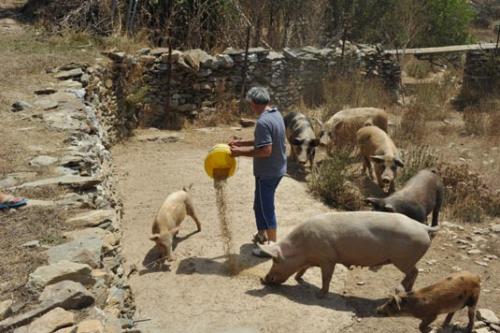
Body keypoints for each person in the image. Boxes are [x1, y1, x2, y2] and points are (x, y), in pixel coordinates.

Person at [229, 87, 286, 257]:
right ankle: (262, 234)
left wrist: (239, 153)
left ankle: (272, 246)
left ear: (253, 103)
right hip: (277, 169)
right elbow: (263, 141)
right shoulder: (275, 114)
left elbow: (265, 150)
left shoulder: (262, 122)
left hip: (267, 172)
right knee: (259, 205)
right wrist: (241, 143)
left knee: (266, 207)